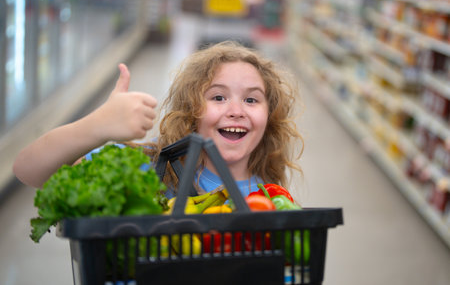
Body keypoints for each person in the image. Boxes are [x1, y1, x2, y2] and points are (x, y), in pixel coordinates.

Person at [13, 41, 304, 198]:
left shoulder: (269, 196)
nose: (236, 110)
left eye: (251, 99)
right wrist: (96, 126)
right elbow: (29, 170)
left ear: (270, 117)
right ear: (191, 110)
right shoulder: (146, 169)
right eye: (218, 97)